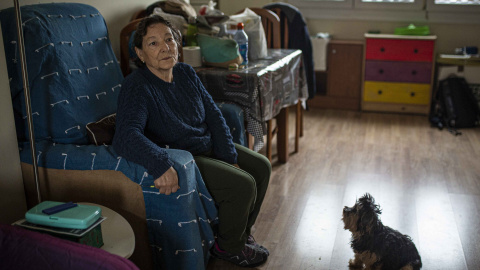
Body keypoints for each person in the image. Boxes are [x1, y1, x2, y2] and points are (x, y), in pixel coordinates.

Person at [113, 15, 271, 268]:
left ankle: (239, 234)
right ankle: (229, 247)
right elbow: (125, 136)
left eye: (169, 39)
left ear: (177, 43)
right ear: (140, 54)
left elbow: (214, 116)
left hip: (206, 145)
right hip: (186, 160)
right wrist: (159, 164)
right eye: (153, 43)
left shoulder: (185, 72)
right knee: (243, 185)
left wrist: (229, 158)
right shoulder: (137, 86)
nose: (165, 47)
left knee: (261, 167)